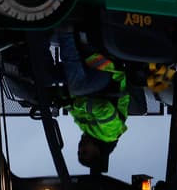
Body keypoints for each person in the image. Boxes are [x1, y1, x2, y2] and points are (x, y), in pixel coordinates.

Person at [55, 29, 129, 173]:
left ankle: (16, 59)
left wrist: (60, 99)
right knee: (76, 88)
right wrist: (73, 103)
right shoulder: (110, 134)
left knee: (43, 78)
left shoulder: (87, 130)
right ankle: (66, 32)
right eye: (84, 152)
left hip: (90, 84)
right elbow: (103, 108)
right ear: (97, 152)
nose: (80, 148)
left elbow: (73, 109)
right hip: (108, 74)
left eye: (78, 152)